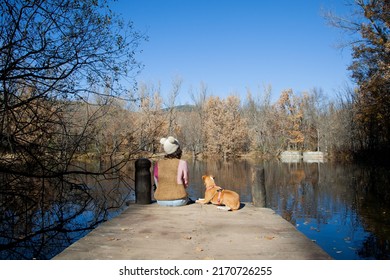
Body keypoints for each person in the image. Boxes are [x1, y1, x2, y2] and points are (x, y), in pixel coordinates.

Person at [153, 136, 189, 206]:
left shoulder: (158, 163)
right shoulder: (182, 163)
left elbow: (156, 181)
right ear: (177, 149)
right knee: (186, 197)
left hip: (161, 201)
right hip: (179, 200)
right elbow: (186, 182)